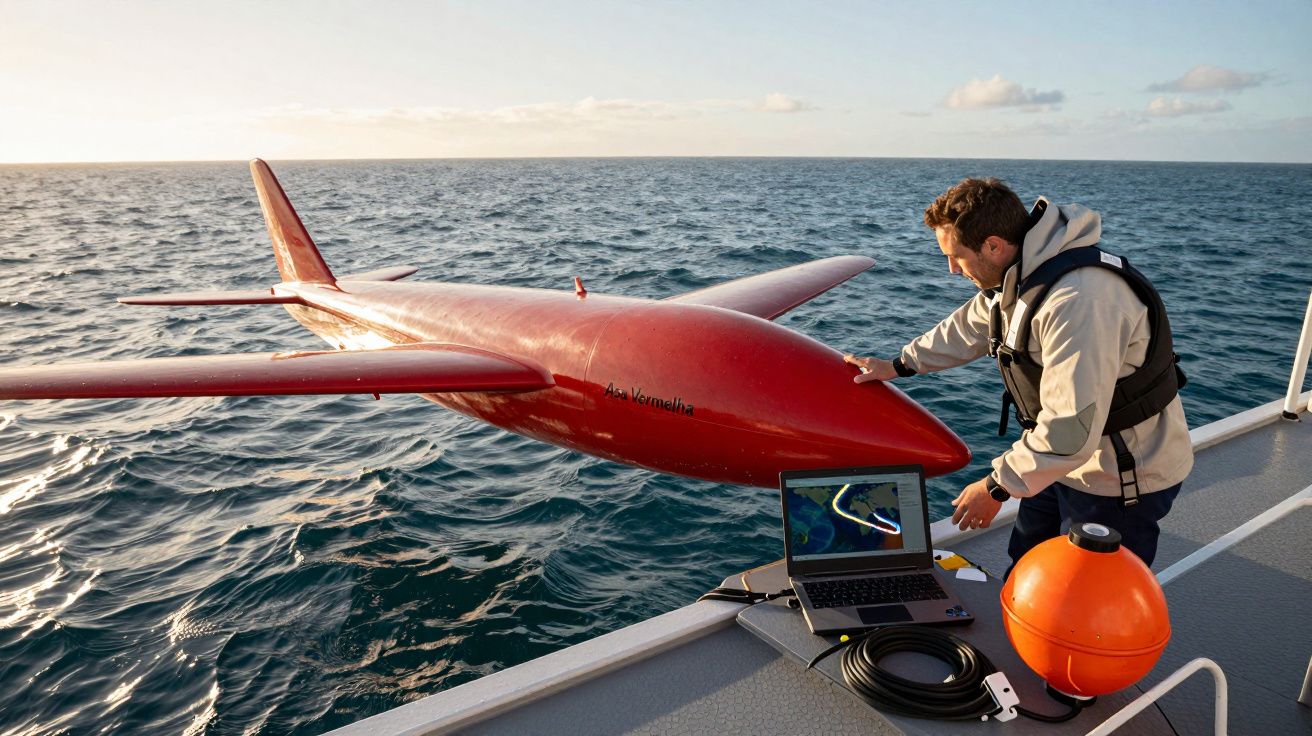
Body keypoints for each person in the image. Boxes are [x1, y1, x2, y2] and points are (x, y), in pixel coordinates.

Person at [845, 178, 1192, 575]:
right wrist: (898, 364)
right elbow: (971, 325)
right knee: (1028, 571)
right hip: (1058, 463)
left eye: (957, 257)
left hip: (1117, 478)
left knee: (1086, 601)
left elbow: (1068, 431)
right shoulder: (1021, 273)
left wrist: (996, 487)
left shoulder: (1078, 303)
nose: (952, 271)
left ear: (993, 244)